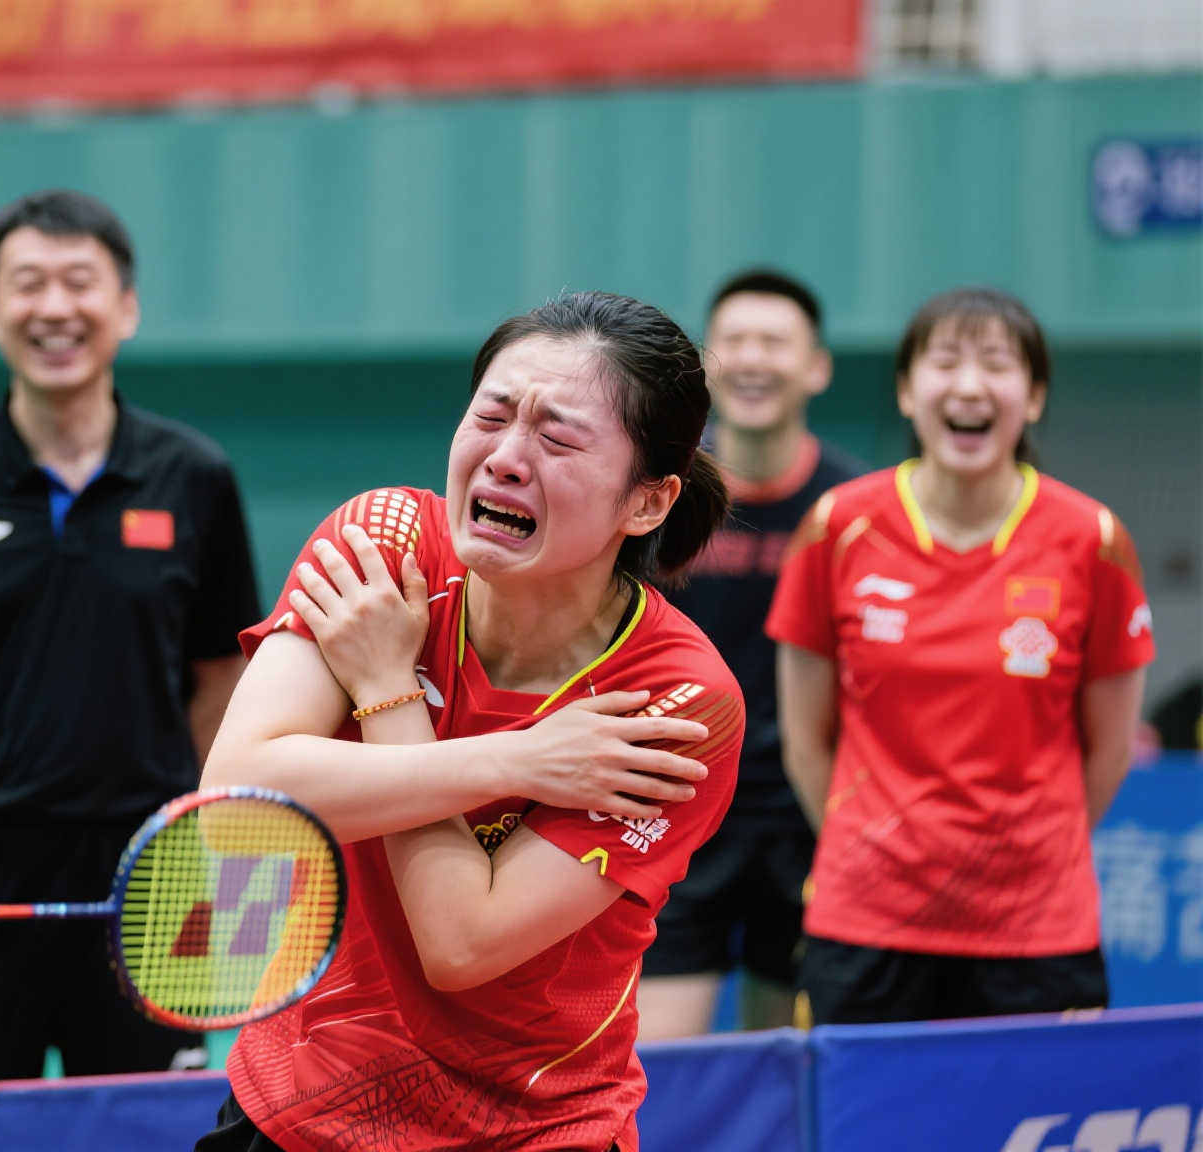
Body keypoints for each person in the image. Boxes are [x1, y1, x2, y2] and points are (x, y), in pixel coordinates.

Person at [196, 292, 744, 1152]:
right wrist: (522, 761)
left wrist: (384, 688)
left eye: (558, 438)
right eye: (489, 416)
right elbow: (233, 802)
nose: (506, 459)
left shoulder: (674, 700)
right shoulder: (382, 544)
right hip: (301, 1108)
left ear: (646, 502)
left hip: (532, 1128)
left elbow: (460, 942)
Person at [0, 189, 263, 1088]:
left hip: (146, 873)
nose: (54, 308)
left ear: (127, 307)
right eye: (27, 283)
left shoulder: (195, 476)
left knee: (144, 1126)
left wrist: (146, 798)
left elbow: (222, 677)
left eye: (81, 282)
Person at [768, 287, 1155, 1026]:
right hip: (867, 921)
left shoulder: (1093, 539)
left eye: (997, 365)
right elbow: (805, 740)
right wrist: (874, 844)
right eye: (944, 362)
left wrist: (1028, 852)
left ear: (1033, 397)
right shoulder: (838, 527)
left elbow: (1106, 753)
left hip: (1038, 929)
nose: (970, 385)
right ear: (909, 392)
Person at [636, 269, 868, 1040]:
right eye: (733, 341)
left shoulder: (850, 511)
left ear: (817, 368)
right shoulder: (656, 497)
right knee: (660, 1067)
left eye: (774, 342)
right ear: (706, 365)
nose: (752, 359)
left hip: (802, 820)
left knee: (783, 1060)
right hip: (672, 810)